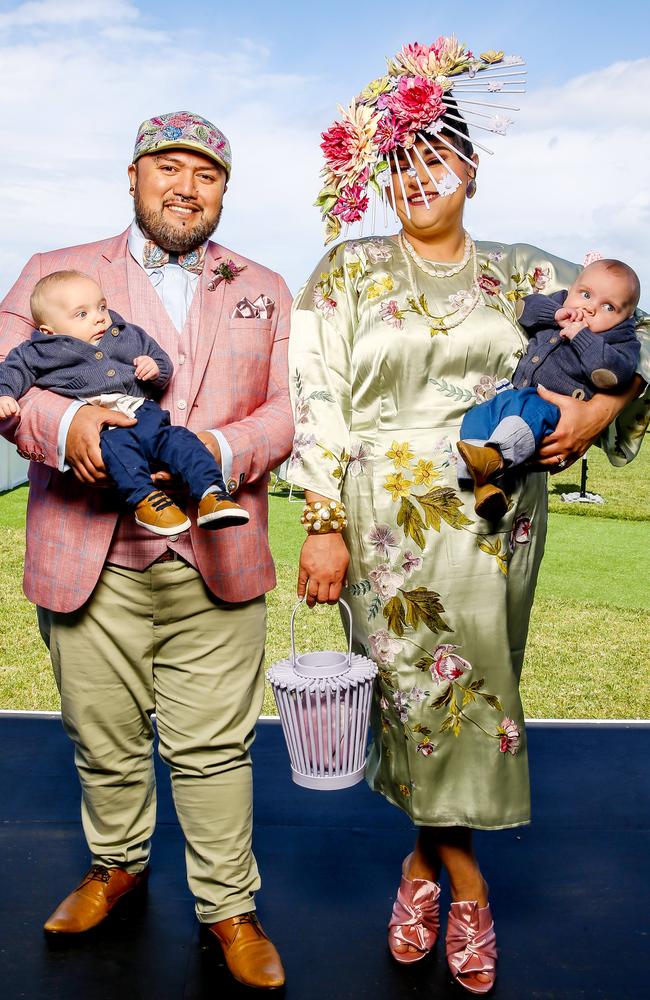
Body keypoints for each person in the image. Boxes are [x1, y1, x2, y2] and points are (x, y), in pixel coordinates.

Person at [287, 39, 649, 995]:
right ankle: (464, 880)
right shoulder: (348, 268)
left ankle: (418, 866)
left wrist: (602, 406)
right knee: (414, 695)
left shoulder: (531, 268)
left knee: (478, 691)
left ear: (471, 168)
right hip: (385, 525)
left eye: (433, 157)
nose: (416, 177)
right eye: (397, 162)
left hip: (498, 526)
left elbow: (634, 326)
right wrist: (320, 518)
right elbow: (316, 393)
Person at [0, 111, 293, 991]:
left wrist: (210, 455)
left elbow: (282, 412)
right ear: (132, 176)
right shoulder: (54, 274)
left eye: (205, 174)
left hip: (217, 550)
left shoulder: (265, 286)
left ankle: (229, 909)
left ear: (224, 191)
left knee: (216, 748)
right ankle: (115, 866)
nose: (185, 186)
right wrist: (75, 422)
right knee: (105, 737)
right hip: (89, 553)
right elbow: (7, 379)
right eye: (168, 167)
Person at [0, 269, 249, 535]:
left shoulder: (127, 334)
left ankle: (212, 495)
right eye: (82, 314)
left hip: (145, 414)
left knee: (182, 440)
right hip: (106, 429)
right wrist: (4, 394)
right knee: (119, 451)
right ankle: (146, 502)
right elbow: (13, 371)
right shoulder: (38, 352)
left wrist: (155, 367)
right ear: (49, 331)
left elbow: (160, 359)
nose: (99, 318)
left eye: (102, 307)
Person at [457, 257, 641, 519]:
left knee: (528, 409)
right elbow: (525, 309)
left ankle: (494, 458)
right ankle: (482, 482)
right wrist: (556, 314)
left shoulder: (620, 338)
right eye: (585, 294)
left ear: (625, 318)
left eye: (608, 307)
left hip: (552, 410)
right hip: (514, 396)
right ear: (573, 288)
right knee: (478, 414)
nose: (589, 308)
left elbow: (613, 375)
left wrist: (581, 336)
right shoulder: (561, 303)